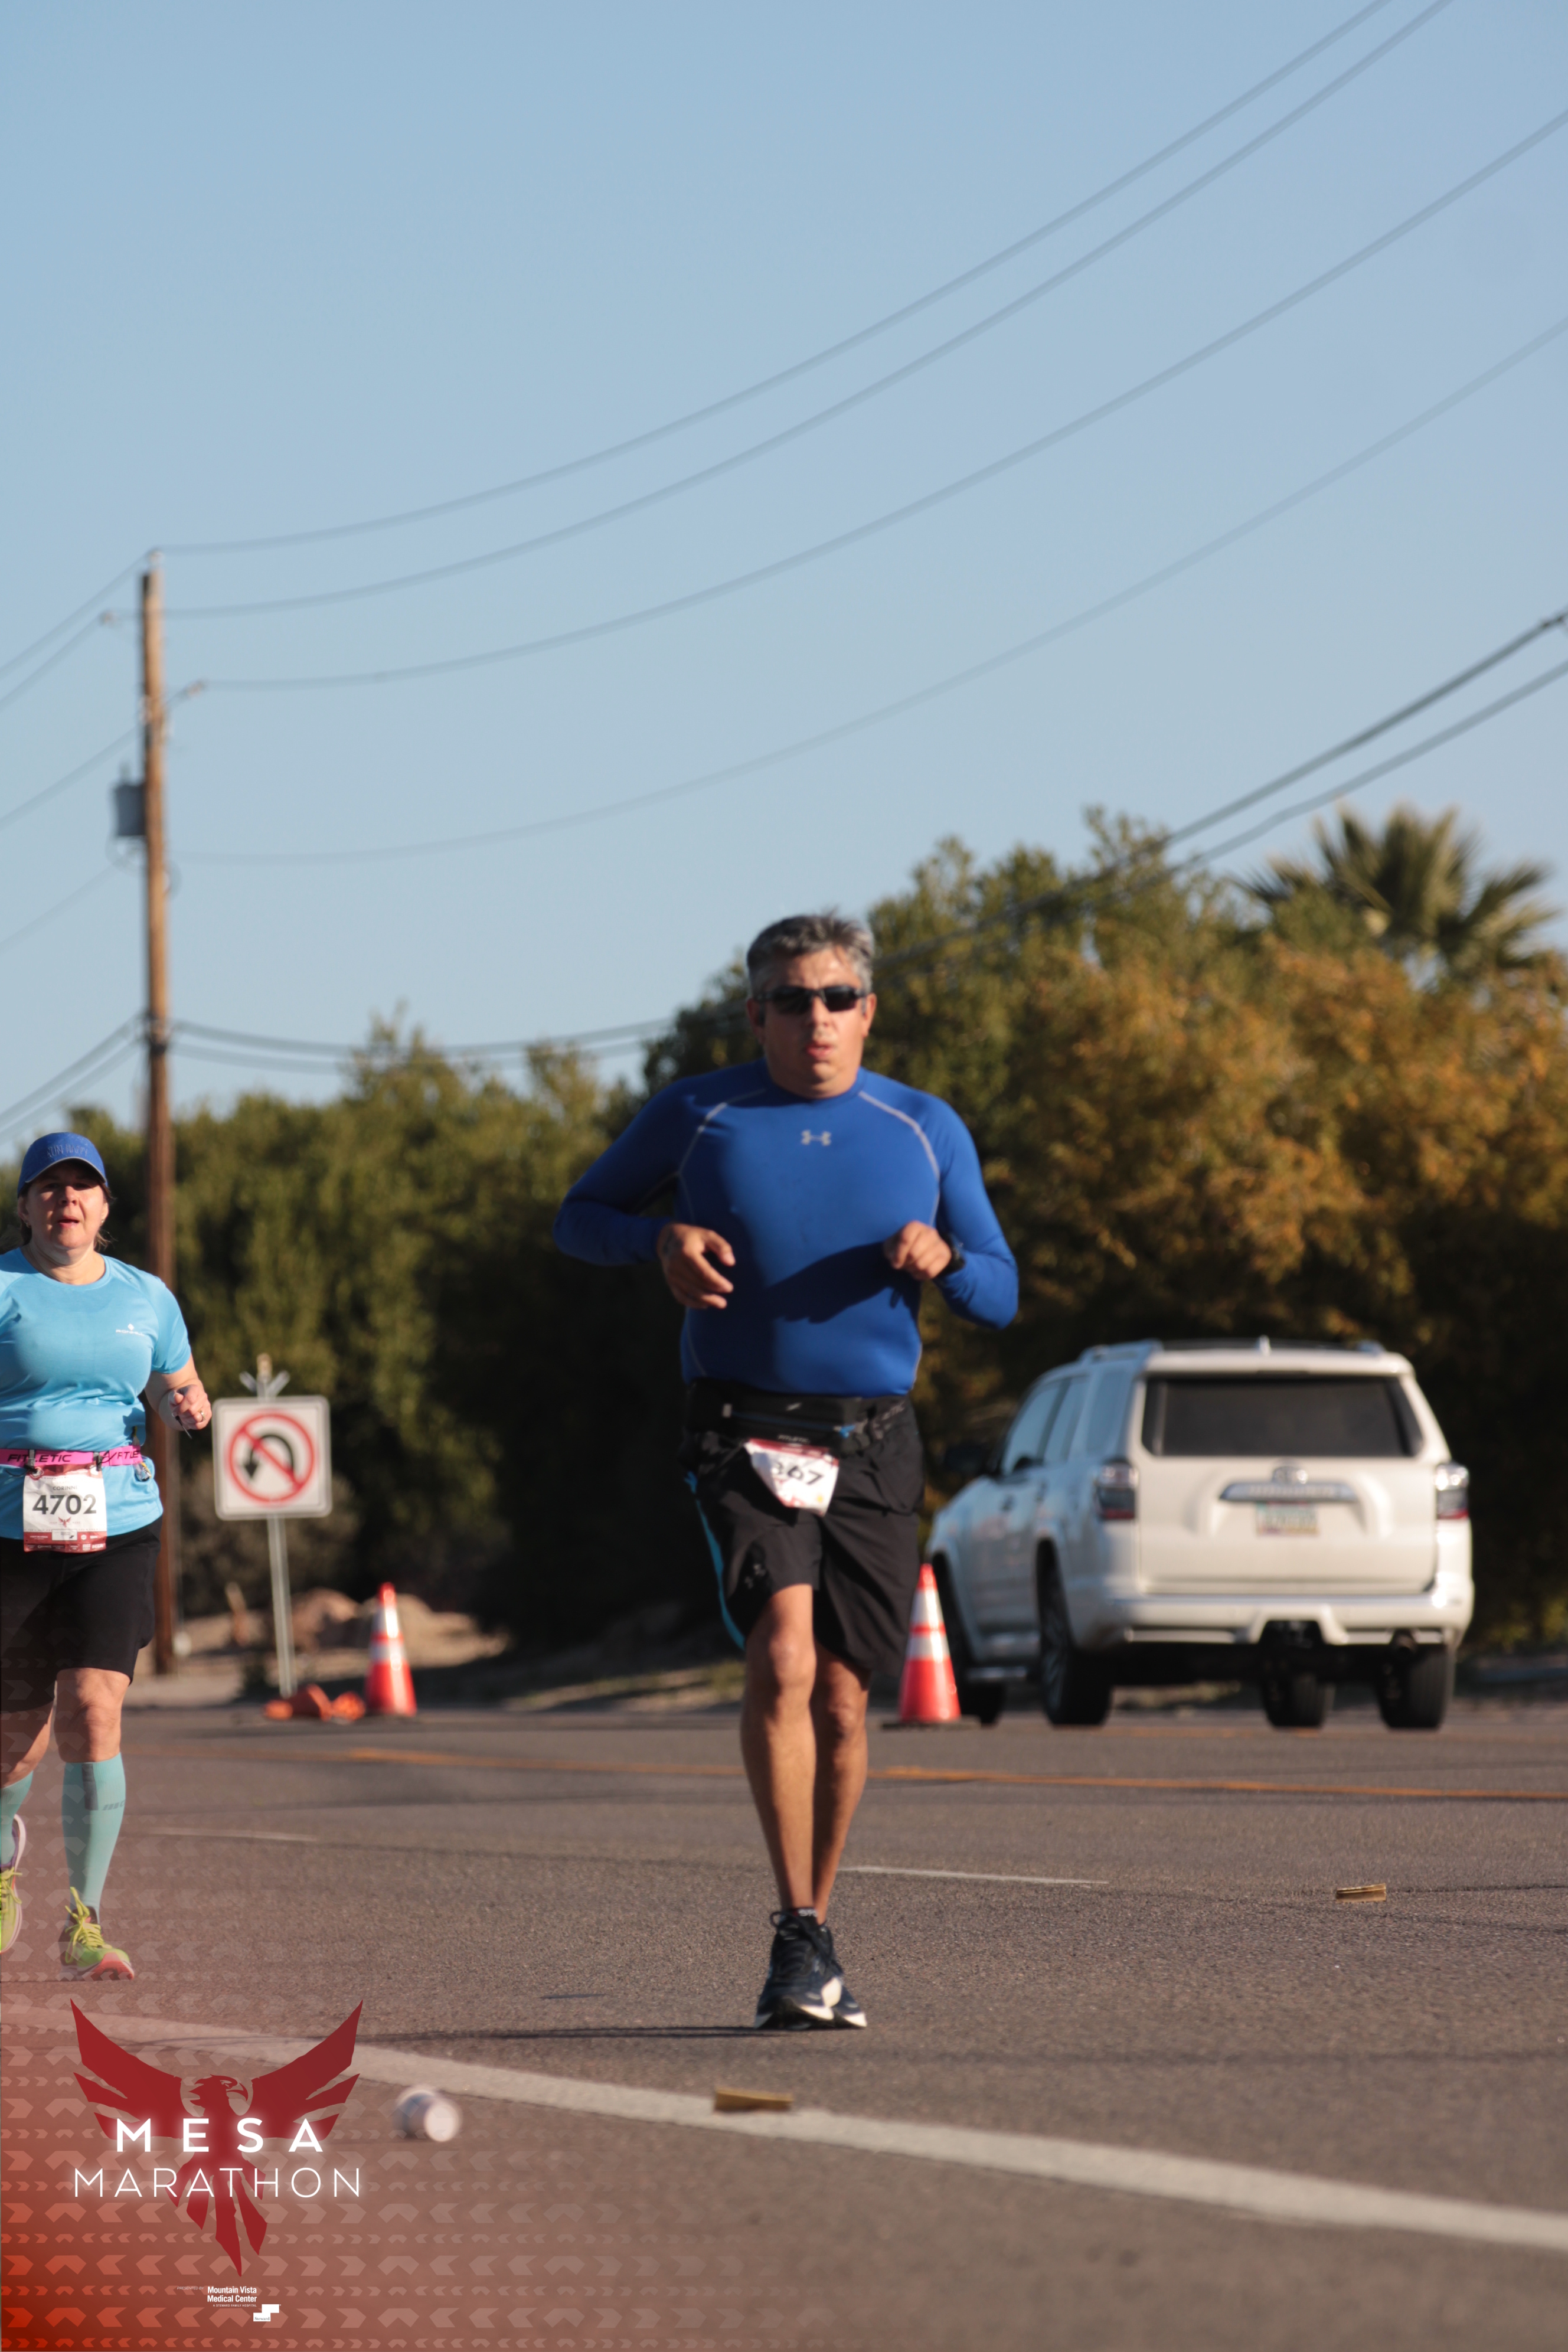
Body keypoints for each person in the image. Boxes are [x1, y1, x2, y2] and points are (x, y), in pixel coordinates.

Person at [554, 913, 1016, 2028]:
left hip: (874, 1439)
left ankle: (818, 1930)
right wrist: (658, 1241)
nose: (818, 1018)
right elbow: (579, 1218)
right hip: (742, 1427)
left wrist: (946, 1258)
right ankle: (796, 1930)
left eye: (838, 998)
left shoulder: (922, 1126)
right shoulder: (700, 1114)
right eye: (794, 1000)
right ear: (756, 1013)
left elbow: (1000, 1292)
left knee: (847, 1702)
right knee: (785, 1656)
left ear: (869, 1010)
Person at [0, 1131, 211, 1980]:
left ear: (104, 1205)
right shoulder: (3, 1288)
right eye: (49, 1187)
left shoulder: (146, 1297)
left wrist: (186, 1402)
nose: (67, 1200)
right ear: (25, 1207)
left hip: (116, 1523)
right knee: (16, 1738)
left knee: (93, 1709)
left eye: (82, 1186)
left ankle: (84, 1922)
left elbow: (174, 1382)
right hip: (10, 1531)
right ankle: (1, 1870)